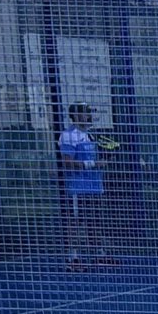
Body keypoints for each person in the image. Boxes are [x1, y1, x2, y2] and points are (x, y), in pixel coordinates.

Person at [57, 103, 104, 267]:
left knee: (95, 220)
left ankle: (99, 254)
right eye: (86, 113)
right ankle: (73, 258)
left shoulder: (91, 134)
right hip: (77, 187)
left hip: (94, 186)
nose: (89, 116)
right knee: (75, 221)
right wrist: (92, 164)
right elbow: (67, 162)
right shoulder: (68, 135)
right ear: (76, 116)